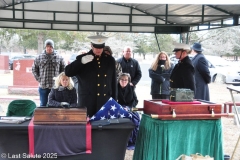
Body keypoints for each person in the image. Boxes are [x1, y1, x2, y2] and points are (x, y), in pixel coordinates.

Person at [65, 35, 117, 117]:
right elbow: (68, 72)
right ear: (91, 46)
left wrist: (114, 102)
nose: (98, 50)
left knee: (104, 128)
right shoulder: (83, 58)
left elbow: (113, 82)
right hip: (87, 102)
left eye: (100, 47)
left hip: (104, 101)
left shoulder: (110, 60)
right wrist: (80, 62)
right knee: (87, 128)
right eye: (96, 47)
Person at [32, 39, 65, 106]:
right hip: (43, 86)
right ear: (45, 47)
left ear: (53, 47)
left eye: (50, 46)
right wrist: (39, 79)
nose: (49, 48)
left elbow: (64, 70)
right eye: (47, 46)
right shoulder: (39, 57)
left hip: (55, 87)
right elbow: (34, 69)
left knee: (55, 106)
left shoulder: (59, 57)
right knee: (43, 106)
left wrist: (60, 80)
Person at [117, 73, 139, 150]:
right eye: (122, 79)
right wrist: (121, 107)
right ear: (119, 80)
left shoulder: (131, 88)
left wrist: (129, 107)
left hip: (129, 108)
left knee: (135, 118)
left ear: (128, 81)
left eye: (126, 80)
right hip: (117, 108)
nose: (124, 81)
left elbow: (135, 100)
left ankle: (132, 140)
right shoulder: (115, 88)